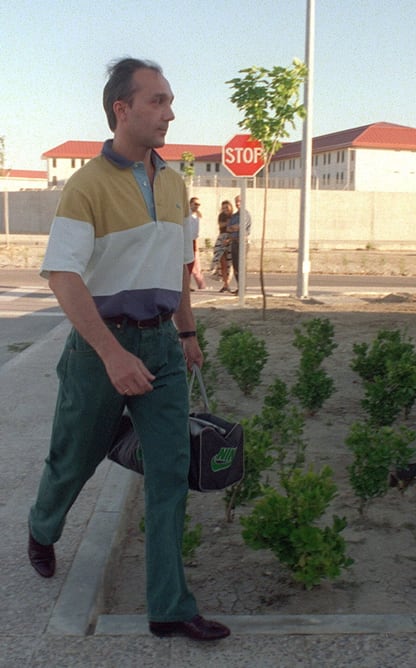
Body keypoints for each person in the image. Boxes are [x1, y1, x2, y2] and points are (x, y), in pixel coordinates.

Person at [27, 57, 230, 642]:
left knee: (169, 470)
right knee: (75, 459)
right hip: (100, 348)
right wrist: (112, 356)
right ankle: (43, 528)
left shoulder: (174, 182)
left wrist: (187, 335)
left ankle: (169, 607)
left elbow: (178, 265)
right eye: (158, 101)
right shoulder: (87, 185)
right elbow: (63, 275)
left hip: (162, 345)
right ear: (123, 109)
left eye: (169, 101)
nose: (170, 111)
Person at [226, 194, 252, 295]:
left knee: (241, 266)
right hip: (234, 242)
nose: (238, 204)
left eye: (240, 201)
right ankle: (239, 287)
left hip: (243, 242)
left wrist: (234, 227)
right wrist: (233, 227)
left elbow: (240, 227)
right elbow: (228, 228)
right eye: (236, 201)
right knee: (236, 267)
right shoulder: (234, 216)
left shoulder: (245, 214)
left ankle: (243, 289)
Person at [210, 200, 233, 292]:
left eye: (227, 207)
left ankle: (227, 283)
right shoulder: (221, 216)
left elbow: (234, 228)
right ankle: (225, 284)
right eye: (223, 208)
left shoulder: (234, 216)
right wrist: (230, 224)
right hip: (222, 239)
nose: (225, 209)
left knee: (230, 264)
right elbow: (222, 225)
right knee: (222, 262)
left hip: (231, 239)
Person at [187, 196, 205, 290]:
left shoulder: (197, 216)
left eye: (198, 204)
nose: (197, 206)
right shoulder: (187, 215)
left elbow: (196, 232)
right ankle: (188, 284)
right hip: (187, 240)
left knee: (194, 263)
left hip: (193, 241)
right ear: (190, 204)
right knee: (188, 263)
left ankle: (200, 285)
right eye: (195, 204)